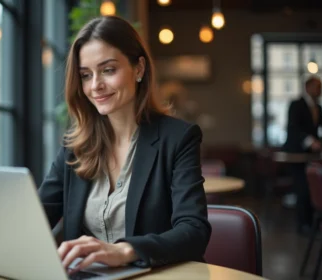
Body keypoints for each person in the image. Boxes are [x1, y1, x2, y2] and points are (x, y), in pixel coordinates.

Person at [38, 16, 211, 273]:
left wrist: (124, 251)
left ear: (139, 69)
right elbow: (36, 219)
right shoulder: (75, 146)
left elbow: (194, 231)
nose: (95, 85)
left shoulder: (178, 138)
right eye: (86, 75)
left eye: (108, 70)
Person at [283, 75, 322, 235]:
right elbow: (293, 127)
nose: (319, 90)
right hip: (296, 153)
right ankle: (303, 225)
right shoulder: (296, 105)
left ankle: (313, 223)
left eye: (320, 87)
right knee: (303, 189)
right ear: (307, 87)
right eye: (316, 86)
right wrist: (309, 141)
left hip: (311, 156)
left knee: (313, 188)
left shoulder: (318, 108)